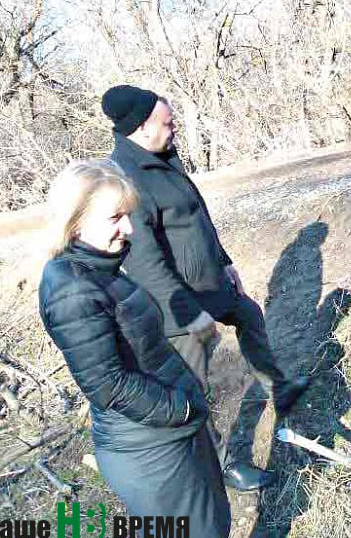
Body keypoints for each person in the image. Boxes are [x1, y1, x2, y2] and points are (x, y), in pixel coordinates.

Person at [101, 84, 309, 492]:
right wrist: (186, 312)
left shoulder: (162, 157)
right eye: (167, 122)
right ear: (142, 128)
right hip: (175, 302)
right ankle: (223, 465)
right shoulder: (126, 179)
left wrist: (225, 259)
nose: (174, 127)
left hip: (210, 280)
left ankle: (279, 389)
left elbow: (197, 219)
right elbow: (143, 261)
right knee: (192, 390)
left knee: (250, 316)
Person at [38, 160, 231, 538]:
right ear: (76, 222)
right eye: (115, 218)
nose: (128, 229)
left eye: (127, 216)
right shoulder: (71, 289)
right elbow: (108, 386)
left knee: (206, 534)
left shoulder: (101, 268)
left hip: (166, 431)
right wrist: (182, 409)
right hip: (148, 447)